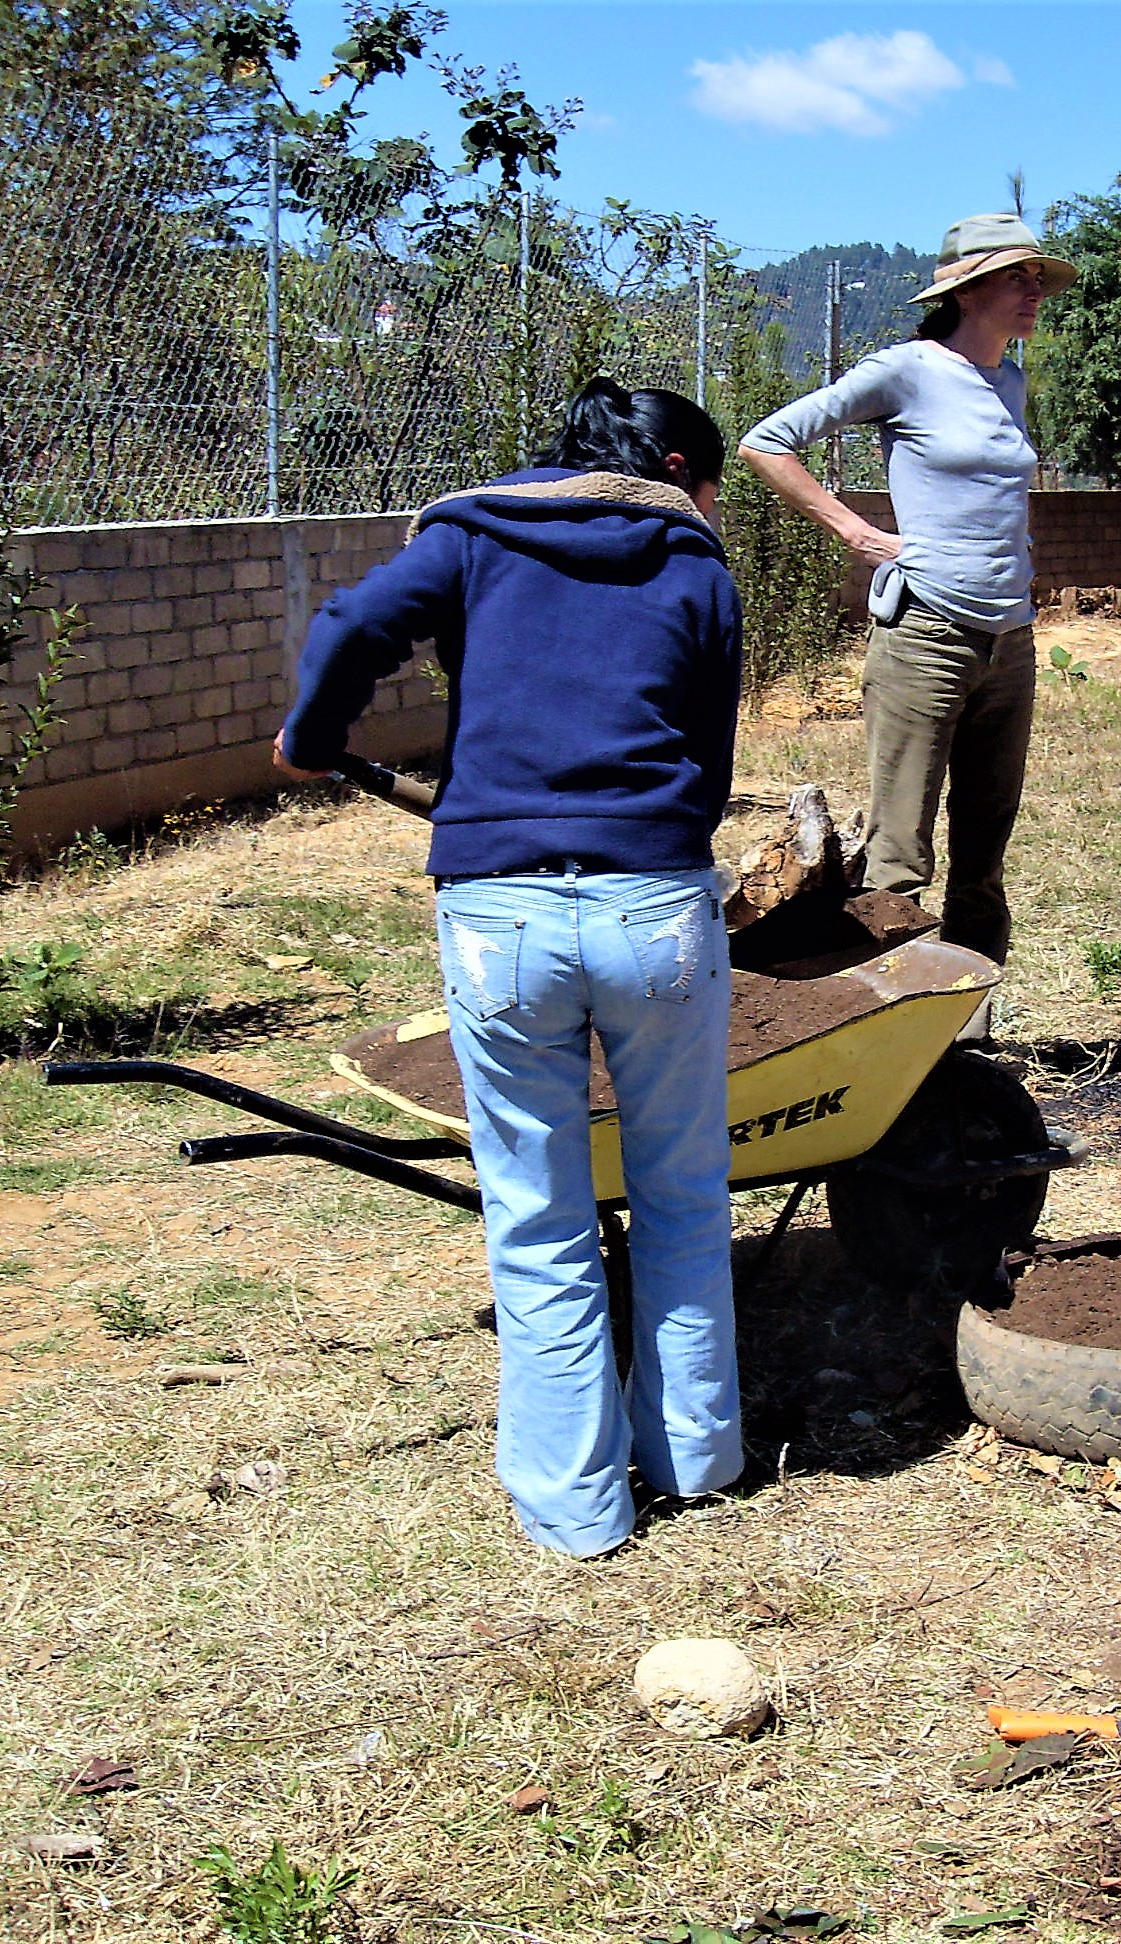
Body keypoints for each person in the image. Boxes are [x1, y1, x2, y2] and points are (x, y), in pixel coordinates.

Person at [273, 380, 746, 1558]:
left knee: (538, 1216)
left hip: (502, 916)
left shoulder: (472, 536)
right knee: (683, 1192)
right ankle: (694, 1459)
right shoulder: (696, 565)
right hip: (655, 906)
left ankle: (576, 1510)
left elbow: (347, 628)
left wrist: (311, 740)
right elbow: (708, 756)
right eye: (710, 483)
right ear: (678, 466)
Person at [737, 213, 1076, 966]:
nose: (1033, 293)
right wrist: (856, 533)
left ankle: (967, 1033)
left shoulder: (1009, 381)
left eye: (1036, 279)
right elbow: (766, 441)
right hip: (925, 634)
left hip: (1009, 642)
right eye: (1017, 277)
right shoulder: (905, 370)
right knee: (900, 855)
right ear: (967, 289)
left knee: (984, 858)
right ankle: (891, 1028)